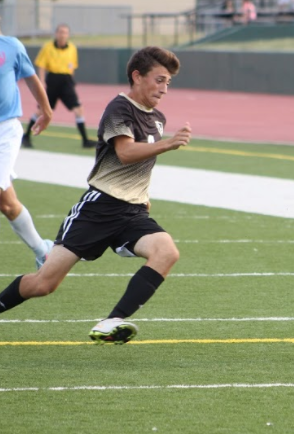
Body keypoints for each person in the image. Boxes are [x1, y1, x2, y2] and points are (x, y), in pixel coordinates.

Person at [0, 46, 192, 345]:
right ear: (137, 76)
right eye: (160, 80)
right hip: (98, 209)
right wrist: (167, 145)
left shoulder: (157, 118)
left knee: (166, 252)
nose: (165, 89)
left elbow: (140, 166)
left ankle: (112, 321)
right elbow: (126, 153)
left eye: (169, 82)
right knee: (44, 284)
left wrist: (143, 194)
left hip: (132, 212)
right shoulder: (119, 108)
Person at [0, 19, 55, 270]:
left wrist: (46, 110)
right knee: (7, 204)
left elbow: (32, 78)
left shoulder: (11, 46)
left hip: (5, 132)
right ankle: (43, 251)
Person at [22, 23, 96, 149]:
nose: (62, 35)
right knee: (41, 111)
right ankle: (26, 136)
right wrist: (42, 81)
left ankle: (85, 140)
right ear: (56, 34)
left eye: (65, 32)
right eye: (60, 32)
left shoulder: (72, 48)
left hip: (66, 82)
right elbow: (41, 65)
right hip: (53, 81)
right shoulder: (48, 47)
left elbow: (72, 66)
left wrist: (70, 82)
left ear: (68, 35)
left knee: (79, 109)